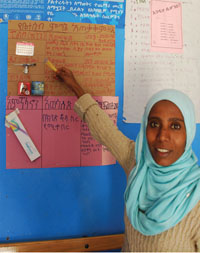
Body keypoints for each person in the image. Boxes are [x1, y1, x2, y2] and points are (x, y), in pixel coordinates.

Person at [55, 67, 200, 252]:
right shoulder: (138, 162)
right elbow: (104, 130)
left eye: (175, 126)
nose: (163, 136)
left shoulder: (196, 196)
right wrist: (75, 86)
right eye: (154, 124)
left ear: (189, 133)